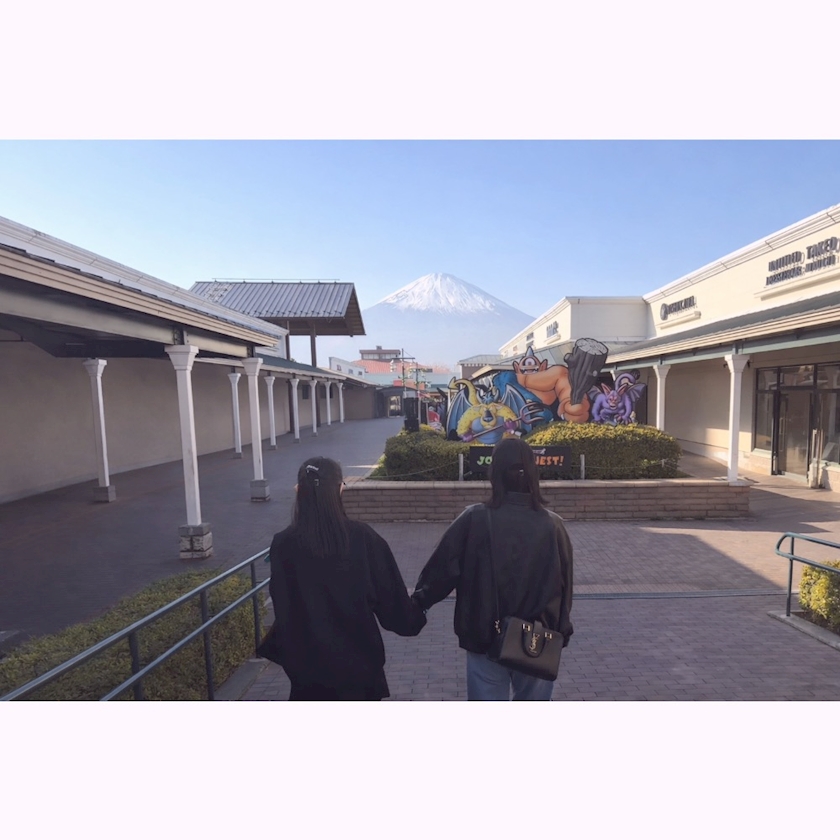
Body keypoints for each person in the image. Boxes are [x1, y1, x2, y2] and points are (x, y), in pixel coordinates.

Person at [411, 437, 573, 700]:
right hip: (537, 639)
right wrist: (561, 628)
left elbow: (440, 572)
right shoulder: (552, 526)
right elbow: (565, 586)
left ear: (494, 473)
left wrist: (418, 605)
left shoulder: (474, 518)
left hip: (484, 634)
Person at [259, 456, 426, 700]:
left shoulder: (283, 544)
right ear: (339, 489)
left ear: (298, 490)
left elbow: (283, 605)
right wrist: (420, 608)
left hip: (306, 677)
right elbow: (396, 612)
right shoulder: (363, 539)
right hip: (360, 676)